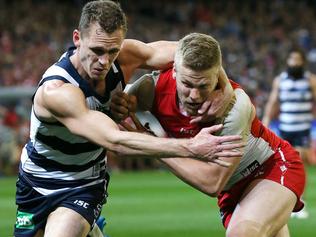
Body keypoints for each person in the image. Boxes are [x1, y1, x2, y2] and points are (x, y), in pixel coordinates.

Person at [13, 2, 245, 237]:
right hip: (34, 182)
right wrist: (191, 148)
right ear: (77, 38)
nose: (105, 62)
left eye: (113, 51)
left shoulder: (123, 58)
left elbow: (198, 53)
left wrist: (225, 88)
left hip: (82, 183)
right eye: (97, 51)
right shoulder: (58, 91)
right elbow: (114, 140)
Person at [115, 33, 306, 237]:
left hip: (271, 166)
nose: (194, 96)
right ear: (173, 70)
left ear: (218, 76)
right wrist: (120, 110)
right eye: (187, 84)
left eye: (203, 86)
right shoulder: (150, 89)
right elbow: (115, 132)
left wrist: (154, 145)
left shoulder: (234, 107)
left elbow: (211, 183)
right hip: (232, 189)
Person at [262, 48, 316, 218]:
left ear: (302, 62)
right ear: (288, 61)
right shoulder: (280, 80)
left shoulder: (310, 80)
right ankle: (286, 201)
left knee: (300, 163)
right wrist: (266, 121)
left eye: (298, 59)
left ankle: (300, 202)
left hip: (302, 128)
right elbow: (272, 101)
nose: (295, 63)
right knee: (283, 165)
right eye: (292, 59)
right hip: (285, 127)